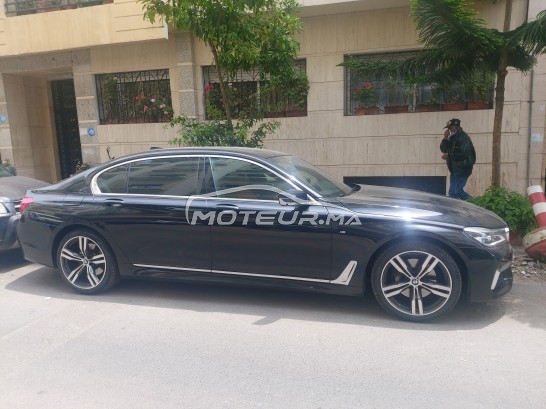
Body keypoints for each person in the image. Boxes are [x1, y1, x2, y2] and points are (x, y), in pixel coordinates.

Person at [440, 118, 476, 199]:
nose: (449, 130)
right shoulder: (452, 137)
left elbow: (463, 153)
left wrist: (448, 155)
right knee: (452, 193)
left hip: (463, 169)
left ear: (456, 127)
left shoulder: (464, 137)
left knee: (457, 191)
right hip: (454, 169)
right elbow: (443, 149)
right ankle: (454, 208)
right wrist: (445, 138)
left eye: (450, 128)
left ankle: (476, 204)